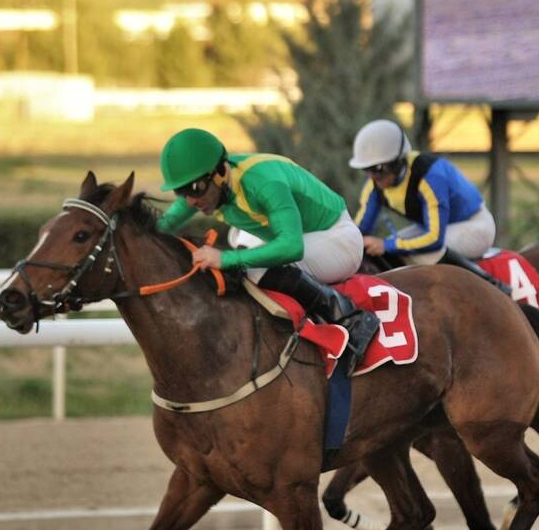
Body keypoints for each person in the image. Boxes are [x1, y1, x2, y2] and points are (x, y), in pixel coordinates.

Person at [157, 128, 379, 375]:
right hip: (302, 237)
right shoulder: (214, 185)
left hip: (338, 240)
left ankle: (349, 317)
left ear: (219, 173)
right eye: (181, 192)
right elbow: (160, 226)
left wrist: (225, 258)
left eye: (195, 188)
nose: (190, 201)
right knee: (240, 245)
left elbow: (292, 247)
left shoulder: (264, 182)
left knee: (251, 268)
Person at [349, 119, 510, 294]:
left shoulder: (430, 176)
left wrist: (386, 245)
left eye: (378, 169)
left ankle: (495, 288)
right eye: (367, 169)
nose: (372, 177)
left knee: (420, 252)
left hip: (475, 226)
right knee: (390, 247)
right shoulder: (374, 185)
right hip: (440, 228)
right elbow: (361, 230)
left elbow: (434, 240)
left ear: (397, 163)